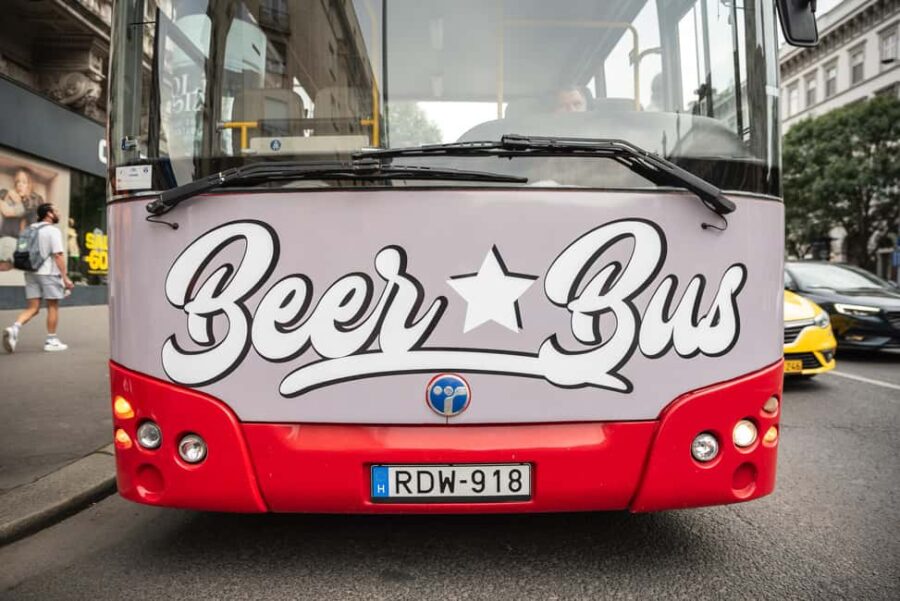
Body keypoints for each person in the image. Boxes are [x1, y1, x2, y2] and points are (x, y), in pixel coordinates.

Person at [3, 203, 74, 353]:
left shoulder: (30, 228)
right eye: (56, 211)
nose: (59, 214)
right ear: (48, 214)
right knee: (52, 306)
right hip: (48, 273)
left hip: (30, 272)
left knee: (33, 308)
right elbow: (58, 255)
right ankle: (51, 340)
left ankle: (14, 328)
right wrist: (65, 277)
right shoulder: (52, 231)